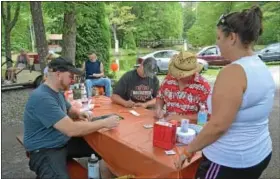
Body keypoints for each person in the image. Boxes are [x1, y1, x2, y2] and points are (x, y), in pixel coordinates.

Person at [177, 6, 275, 179]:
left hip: (230, 161)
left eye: (218, 37)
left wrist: (188, 151)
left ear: (232, 38)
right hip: (259, 153)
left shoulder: (233, 72)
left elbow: (218, 126)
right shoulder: (259, 64)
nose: (217, 43)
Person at [23, 57, 120, 179]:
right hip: (44, 149)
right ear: (58, 74)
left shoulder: (56, 91)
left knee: (105, 148)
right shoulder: (42, 97)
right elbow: (71, 129)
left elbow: (69, 109)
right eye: (71, 76)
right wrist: (104, 123)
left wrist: (79, 114)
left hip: (61, 141)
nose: (73, 80)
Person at [154, 51, 211, 123]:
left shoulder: (203, 86)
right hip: (168, 123)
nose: (178, 76)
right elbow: (160, 97)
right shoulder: (168, 79)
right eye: (176, 72)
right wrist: (158, 109)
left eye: (183, 74)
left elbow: (207, 115)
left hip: (190, 129)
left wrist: (180, 117)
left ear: (192, 72)